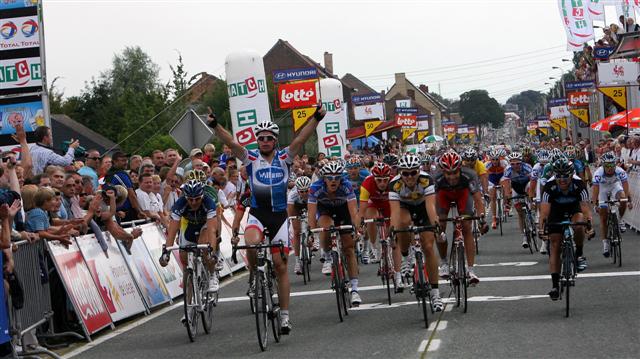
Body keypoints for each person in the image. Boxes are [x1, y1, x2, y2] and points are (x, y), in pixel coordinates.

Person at [208, 104, 326, 334]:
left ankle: (284, 316)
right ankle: (255, 274)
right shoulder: (250, 158)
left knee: (281, 266)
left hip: (280, 217)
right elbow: (232, 143)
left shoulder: (285, 157)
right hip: (259, 214)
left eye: (268, 138)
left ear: (274, 140)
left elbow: (301, 138)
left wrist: (316, 118)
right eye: (260, 138)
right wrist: (215, 125)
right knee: (251, 244)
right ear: (257, 141)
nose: (264, 141)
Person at [387, 155, 443, 310]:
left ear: (419, 171)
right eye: (405, 173)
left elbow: (431, 207)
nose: (410, 177)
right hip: (405, 207)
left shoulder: (427, 180)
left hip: (423, 207)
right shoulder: (394, 184)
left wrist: (435, 225)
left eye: (413, 172)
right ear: (400, 173)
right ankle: (406, 257)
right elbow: (395, 212)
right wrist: (393, 229)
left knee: (428, 246)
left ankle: (435, 293)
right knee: (403, 223)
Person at [307, 161, 361, 305]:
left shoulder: (346, 186)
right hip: (325, 211)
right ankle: (328, 255)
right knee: (326, 227)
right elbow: (311, 214)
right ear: (324, 178)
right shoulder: (315, 187)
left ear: (341, 178)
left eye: (337, 177)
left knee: (349, 248)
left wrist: (356, 227)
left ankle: (355, 289)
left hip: (343, 211)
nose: (333, 181)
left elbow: (353, 211)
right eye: (330, 178)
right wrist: (311, 231)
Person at [539, 158, 593, 300]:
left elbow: (586, 209)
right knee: (555, 244)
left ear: (571, 175)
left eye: (565, 176)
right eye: (559, 176)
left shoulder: (579, 184)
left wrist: (589, 226)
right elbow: (544, 212)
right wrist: (542, 229)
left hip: (574, 208)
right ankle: (555, 285)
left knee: (579, 224)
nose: (562, 180)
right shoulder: (549, 186)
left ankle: (579, 254)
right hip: (555, 210)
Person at [159, 180, 220, 299]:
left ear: (202, 196)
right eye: (190, 199)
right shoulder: (179, 204)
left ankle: (212, 275)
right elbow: (171, 232)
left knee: (204, 246)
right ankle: (189, 306)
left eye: (197, 199)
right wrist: (166, 253)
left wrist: (211, 252)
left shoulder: (209, 203)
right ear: (185, 197)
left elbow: (212, 231)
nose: (193, 202)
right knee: (185, 259)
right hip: (189, 226)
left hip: (205, 225)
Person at [434, 151, 488, 284]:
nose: (452, 177)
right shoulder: (436, 178)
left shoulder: (469, 175)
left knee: (466, 227)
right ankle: (445, 263)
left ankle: (470, 270)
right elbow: (431, 203)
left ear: (460, 169)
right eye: (448, 174)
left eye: (455, 173)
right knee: (440, 226)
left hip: (462, 195)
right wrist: (434, 219)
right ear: (443, 171)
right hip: (444, 195)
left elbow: (477, 199)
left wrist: (482, 219)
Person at [591, 152, 632, 257]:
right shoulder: (598, 173)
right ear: (603, 165)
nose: (610, 168)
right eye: (607, 165)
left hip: (615, 186)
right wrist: (595, 204)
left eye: (612, 165)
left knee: (623, 199)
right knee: (603, 217)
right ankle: (605, 243)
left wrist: (628, 200)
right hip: (602, 189)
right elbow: (595, 191)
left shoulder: (620, 171)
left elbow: (626, 187)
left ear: (615, 164)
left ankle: (620, 219)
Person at [357, 162, 392, 268]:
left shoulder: (394, 182)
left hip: (388, 203)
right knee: (370, 218)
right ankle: (374, 247)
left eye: (385, 180)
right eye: (379, 180)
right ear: (374, 178)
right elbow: (362, 209)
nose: (382, 183)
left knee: (392, 226)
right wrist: (360, 225)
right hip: (373, 203)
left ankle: (390, 243)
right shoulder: (367, 183)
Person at [500, 152, 534, 248]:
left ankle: (532, 212)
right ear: (510, 164)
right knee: (520, 212)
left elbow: (533, 181)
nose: (515, 166)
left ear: (521, 163)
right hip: (516, 188)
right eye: (513, 164)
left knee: (529, 192)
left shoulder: (527, 167)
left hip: (526, 185)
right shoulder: (508, 169)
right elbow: (506, 184)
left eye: (518, 163)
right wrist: (507, 197)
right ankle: (524, 235)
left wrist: (532, 196)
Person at [287, 176, 311, 275]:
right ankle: (297, 261)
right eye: (302, 191)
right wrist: (290, 219)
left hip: (310, 205)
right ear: (297, 190)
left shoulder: (314, 192)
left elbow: (317, 211)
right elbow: (290, 212)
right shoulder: (292, 194)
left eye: (306, 191)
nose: (304, 193)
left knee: (314, 222)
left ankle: (315, 239)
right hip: (297, 207)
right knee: (296, 232)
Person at [485, 149, 509, 229]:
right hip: (491, 179)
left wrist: (504, 185)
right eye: (493, 159)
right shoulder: (487, 165)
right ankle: (494, 218)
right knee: (493, 197)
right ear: (490, 159)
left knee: (505, 186)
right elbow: (484, 177)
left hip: (501, 176)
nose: (495, 161)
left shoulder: (504, 163)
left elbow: (507, 175)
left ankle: (506, 204)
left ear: (500, 159)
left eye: (496, 159)